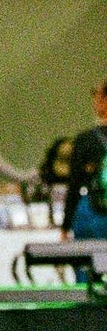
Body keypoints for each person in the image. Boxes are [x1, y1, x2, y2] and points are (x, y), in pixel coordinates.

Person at [62, 81, 107, 242]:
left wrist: (65, 226)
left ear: (103, 101)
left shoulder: (85, 140)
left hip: (94, 217)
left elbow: (74, 185)